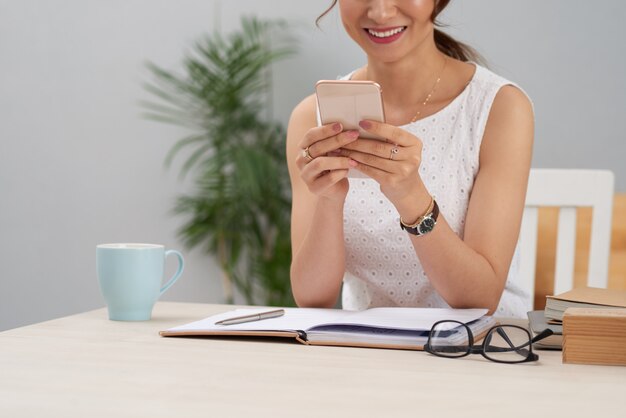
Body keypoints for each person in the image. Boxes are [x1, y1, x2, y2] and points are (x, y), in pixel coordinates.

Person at [286, 0, 534, 318]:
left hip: (481, 351)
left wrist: (411, 198)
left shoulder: (499, 108)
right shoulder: (312, 117)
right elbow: (311, 298)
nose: (380, 11)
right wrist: (329, 201)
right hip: (369, 351)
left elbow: (480, 299)